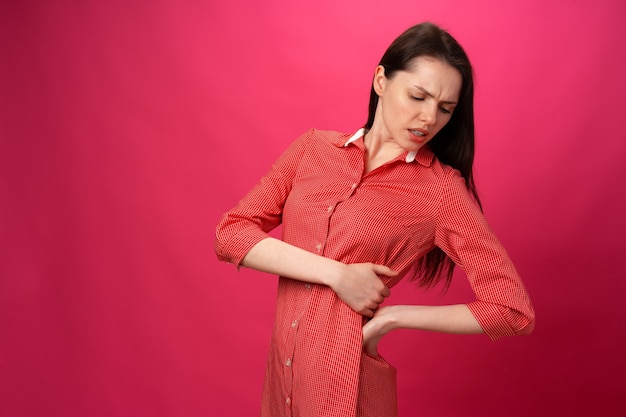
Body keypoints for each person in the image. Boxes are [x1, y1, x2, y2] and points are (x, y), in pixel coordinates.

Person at [214, 21, 535, 417]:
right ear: (381, 80)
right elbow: (230, 234)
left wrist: (393, 318)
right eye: (418, 96)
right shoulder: (312, 149)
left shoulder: (440, 190)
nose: (429, 117)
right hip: (283, 384)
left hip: (349, 391)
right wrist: (338, 275)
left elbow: (512, 310)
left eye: (445, 108)